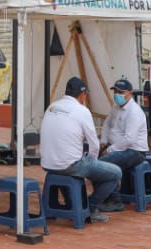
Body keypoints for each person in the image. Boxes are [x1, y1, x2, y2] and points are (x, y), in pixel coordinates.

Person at [38, 77, 121, 222]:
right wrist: (92, 161)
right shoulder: (82, 111)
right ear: (82, 95)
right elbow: (94, 145)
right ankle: (89, 208)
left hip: (47, 163)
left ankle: (71, 205)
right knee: (116, 173)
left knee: (69, 163)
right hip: (70, 165)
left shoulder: (51, 107)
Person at [100, 78, 149, 181]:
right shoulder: (116, 107)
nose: (117, 95)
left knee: (102, 164)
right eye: (115, 92)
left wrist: (109, 150)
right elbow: (107, 124)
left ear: (130, 93)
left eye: (121, 92)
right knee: (90, 156)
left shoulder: (134, 111)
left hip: (134, 151)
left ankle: (112, 190)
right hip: (116, 147)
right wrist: (103, 141)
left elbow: (129, 139)